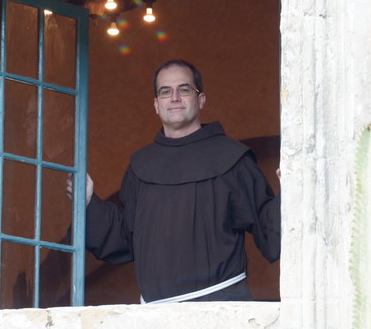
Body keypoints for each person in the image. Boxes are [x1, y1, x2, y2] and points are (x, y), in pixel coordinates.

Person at [70, 59, 280, 303]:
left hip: (219, 306)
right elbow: (126, 239)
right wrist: (87, 203)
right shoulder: (140, 166)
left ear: (201, 100)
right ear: (157, 105)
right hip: (155, 312)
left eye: (184, 89)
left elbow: (268, 230)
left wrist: (292, 193)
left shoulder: (233, 159)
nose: (175, 98)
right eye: (165, 92)